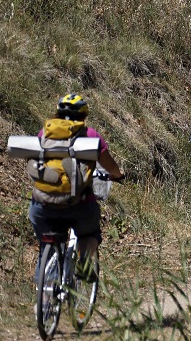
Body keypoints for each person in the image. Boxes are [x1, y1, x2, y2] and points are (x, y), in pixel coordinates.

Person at [28, 94, 125, 282]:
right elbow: (110, 166)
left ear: (56, 113)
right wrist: (117, 175)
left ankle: (44, 301)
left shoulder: (44, 133)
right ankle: (86, 266)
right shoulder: (91, 136)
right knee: (90, 233)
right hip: (78, 205)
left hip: (43, 204)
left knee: (46, 245)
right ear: (84, 115)